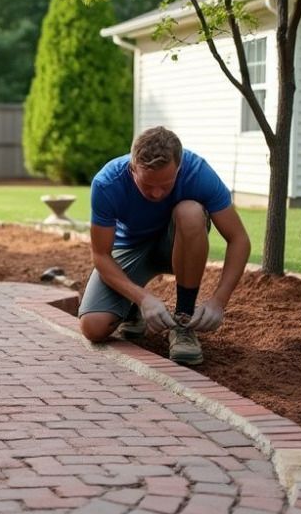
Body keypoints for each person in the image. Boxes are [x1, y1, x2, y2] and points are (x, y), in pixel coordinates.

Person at [78, 126, 251, 365]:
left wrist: (218, 301)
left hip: (177, 245)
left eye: (166, 184)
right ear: (132, 168)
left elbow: (239, 239)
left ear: (178, 169)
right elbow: (101, 255)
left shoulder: (198, 172)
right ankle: (130, 310)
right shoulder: (107, 183)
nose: (157, 193)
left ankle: (183, 321)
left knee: (189, 211)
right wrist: (142, 298)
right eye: (147, 185)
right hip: (131, 248)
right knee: (93, 327)